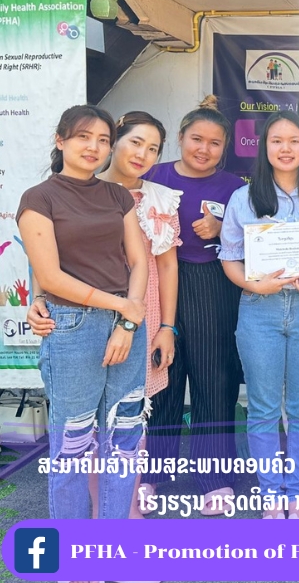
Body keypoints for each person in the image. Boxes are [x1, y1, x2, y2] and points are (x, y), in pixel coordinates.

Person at [27, 111, 182, 519]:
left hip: (127, 328)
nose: (94, 147)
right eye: (83, 137)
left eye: (102, 139)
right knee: (74, 447)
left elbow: (139, 261)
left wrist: (129, 322)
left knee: (124, 440)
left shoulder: (117, 197)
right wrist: (120, 306)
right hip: (73, 328)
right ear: (60, 140)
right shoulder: (39, 198)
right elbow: (49, 274)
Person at [220, 110, 299, 519]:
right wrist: (254, 285)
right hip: (259, 311)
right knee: (264, 407)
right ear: (264, 147)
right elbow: (229, 257)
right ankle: (272, 494)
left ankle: (296, 494)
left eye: (294, 141)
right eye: (276, 141)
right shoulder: (243, 198)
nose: (285, 149)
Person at [139, 96, 245, 515]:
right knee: (160, 376)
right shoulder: (153, 175)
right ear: (181, 137)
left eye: (215, 143)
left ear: (225, 147)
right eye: (196, 139)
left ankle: (214, 477)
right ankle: (151, 473)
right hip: (155, 282)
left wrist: (222, 227)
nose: (204, 149)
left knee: (214, 380)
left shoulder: (235, 187)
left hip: (213, 284)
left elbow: (251, 238)